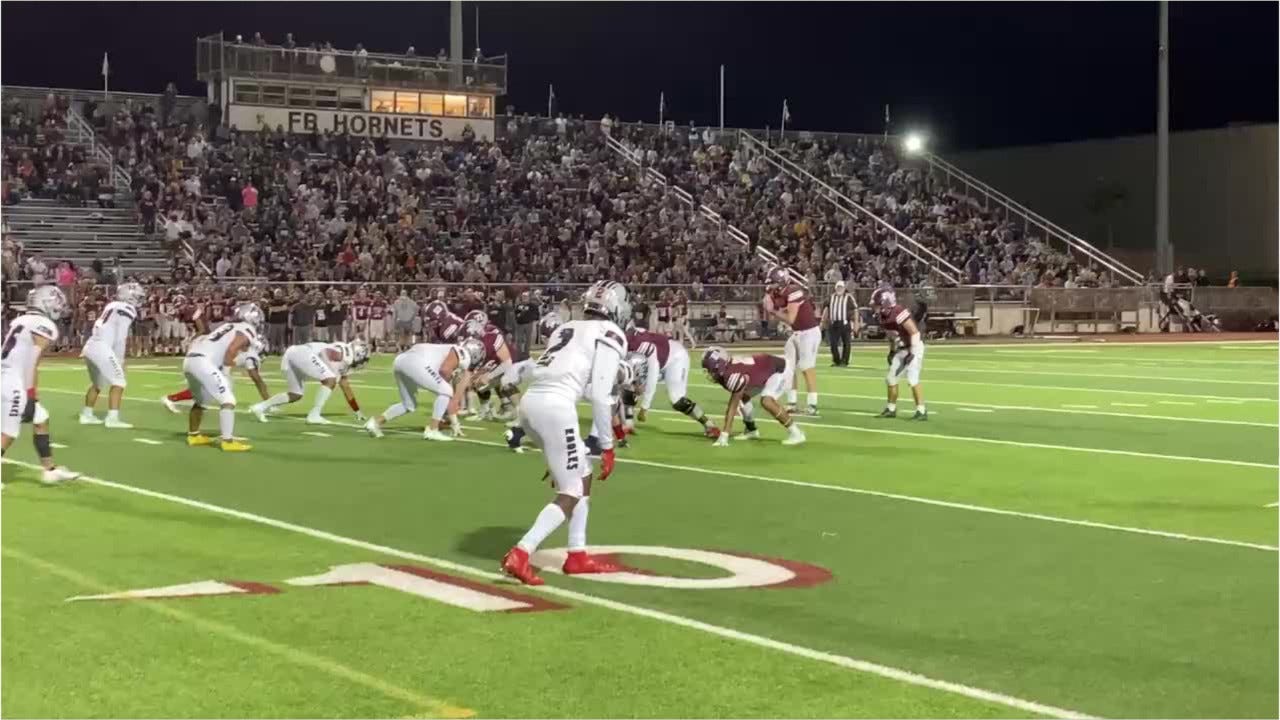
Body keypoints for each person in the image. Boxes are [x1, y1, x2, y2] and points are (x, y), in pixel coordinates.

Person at [499, 281, 630, 586]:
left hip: (532, 404)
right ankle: (521, 552)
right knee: (571, 490)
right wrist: (608, 445)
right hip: (556, 408)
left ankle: (577, 553)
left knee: (581, 476)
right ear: (615, 307)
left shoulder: (566, 327)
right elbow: (599, 394)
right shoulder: (610, 333)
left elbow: (568, 376)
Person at [0, 286, 80, 485]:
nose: (59, 307)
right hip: (13, 381)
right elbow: (31, 361)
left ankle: (49, 470)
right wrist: (31, 394)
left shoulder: (21, 320)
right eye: (56, 302)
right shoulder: (43, 324)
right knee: (9, 431)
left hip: (7, 375)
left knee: (41, 418)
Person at [363, 337, 484, 441]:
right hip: (415, 362)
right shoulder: (462, 352)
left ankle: (375, 423)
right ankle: (433, 430)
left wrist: (454, 423)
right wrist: (447, 380)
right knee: (446, 390)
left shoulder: (446, 348)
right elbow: (445, 371)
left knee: (409, 405)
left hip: (400, 361)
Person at [181, 304, 263, 451]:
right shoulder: (247, 328)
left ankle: (193, 435)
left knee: (201, 400)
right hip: (203, 362)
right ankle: (228, 442)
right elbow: (232, 349)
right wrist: (226, 372)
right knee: (228, 400)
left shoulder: (229, 325)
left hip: (190, 360)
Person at [702, 346, 805, 447]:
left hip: (780, 370)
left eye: (711, 369)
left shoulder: (732, 375)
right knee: (743, 397)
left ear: (719, 366)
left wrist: (725, 434)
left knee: (766, 401)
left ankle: (796, 433)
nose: (710, 373)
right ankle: (751, 430)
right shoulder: (726, 371)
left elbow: (732, 407)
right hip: (765, 370)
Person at [625, 326, 718, 437]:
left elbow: (652, 377)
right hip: (658, 357)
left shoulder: (646, 349)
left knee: (677, 400)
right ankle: (628, 424)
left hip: (675, 357)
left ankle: (710, 425)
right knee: (629, 384)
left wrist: (645, 407)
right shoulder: (628, 343)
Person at [250, 340, 369, 424]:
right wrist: (330, 371)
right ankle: (314, 414)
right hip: (303, 353)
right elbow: (325, 352)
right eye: (363, 359)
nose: (362, 363)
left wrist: (357, 410)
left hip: (293, 354)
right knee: (330, 379)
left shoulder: (345, 362)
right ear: (358, 354)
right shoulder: (344, 354)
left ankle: (260, 407)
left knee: (295, 394)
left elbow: (345, 386)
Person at [79, 281, 146, 428]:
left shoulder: (111, 305)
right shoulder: (127, 308)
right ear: (130, 296)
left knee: (97, 383)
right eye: (138, 297)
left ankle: (86, 414)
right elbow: (120, 337)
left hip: (91, 346)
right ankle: (112, 419)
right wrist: (120, 360)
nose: (140, 300)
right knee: (119, 381)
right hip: (102, 347)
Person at [764, 266, 821, 415]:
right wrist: (771, 307)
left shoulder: (794, 291)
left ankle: (812, 404)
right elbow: (774, 313)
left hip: (809, 332)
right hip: (797, 333)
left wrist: (773, 311)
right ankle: (792, 402)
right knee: (788, 367)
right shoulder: (778, 293)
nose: (771, 286)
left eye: (774, 283)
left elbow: (791, 319)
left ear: (782, 282)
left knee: (806, 367)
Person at [872, 287, 926, 421]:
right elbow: (892, 336)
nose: (875, 308)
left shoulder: (898, 312)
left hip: (914, 346)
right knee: (891, 378)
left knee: (912, 378)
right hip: (902, 348)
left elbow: (915, 332)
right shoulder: (883, 316)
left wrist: (912, 353)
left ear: (885, 303)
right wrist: (891, 350)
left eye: (878, 304)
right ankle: (891, 408)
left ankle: (921, 410)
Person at [823, 281, 855, 367]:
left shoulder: (849, 297)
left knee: (846, 343)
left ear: (844, 288)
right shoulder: (831, 297)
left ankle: (844, 361)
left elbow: (855, 309)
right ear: (835, 288)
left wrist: (856, 323)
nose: (839, 289)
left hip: (845, 323)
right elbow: (826, 309)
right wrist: (823, 321)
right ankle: (836, 360)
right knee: (833, 343)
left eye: (841, 287)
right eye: (838, 287)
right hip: (834, 323)